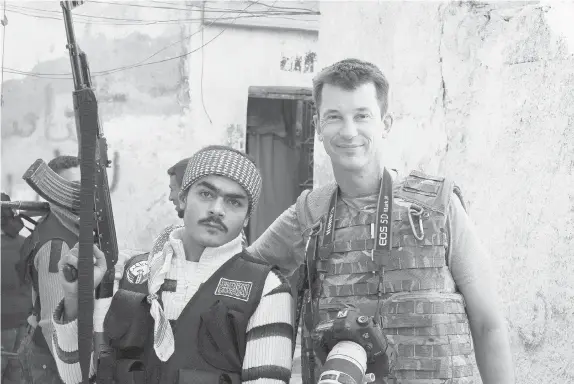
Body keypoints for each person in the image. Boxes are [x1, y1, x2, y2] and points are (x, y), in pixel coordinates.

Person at [247, 59, 514, 384]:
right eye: (334, 117)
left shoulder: (438, 206)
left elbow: (488, 324)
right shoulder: (310, 213)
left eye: (362, 116)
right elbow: (243, 273)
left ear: (385, 123)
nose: (348, 131)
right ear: (318, 125)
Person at [51, 145, 295, 384]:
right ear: (182, 199)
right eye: (206, 194)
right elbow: (74, 376)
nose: (217, 210)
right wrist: (74, 300)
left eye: (234, 202)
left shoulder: (266, 289)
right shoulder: (128, 273)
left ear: (246, 218)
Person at [16, 155, 82, 384]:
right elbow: (52, 325)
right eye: (73, 188)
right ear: (54, 193)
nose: (81, 195)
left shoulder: (64, 227)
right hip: (54, 365)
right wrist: (72, 372)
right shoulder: (57, 244)